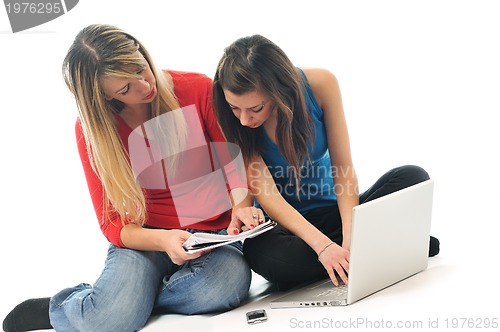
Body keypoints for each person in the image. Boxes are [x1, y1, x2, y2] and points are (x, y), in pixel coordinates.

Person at [3, 24, 264, 332]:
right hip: (149, 238)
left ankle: (123, 301)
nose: (144, 86)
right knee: (106, 321)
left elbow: (236, 163)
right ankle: (78, 308)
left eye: (141, 69)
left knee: (224, 286)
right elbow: (111, 222)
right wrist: (163, 239)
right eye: (125, 89)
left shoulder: (196, 89)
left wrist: (240, 206)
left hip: (214, 234)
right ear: (103, 96)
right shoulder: (94, 133)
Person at [212, 34, 440, 291]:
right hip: (288, 231)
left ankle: (351, 254)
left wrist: (351, 236)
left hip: (334, 212)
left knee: (412, 177)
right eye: (235, 108)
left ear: (277, 90)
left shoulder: (322, 84)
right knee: (261, 253)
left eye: (255, 108)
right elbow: (268, 196)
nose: (243, 119)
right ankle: (382, 249)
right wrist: (323, 247)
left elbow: (342, 170)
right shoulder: (233, 120)